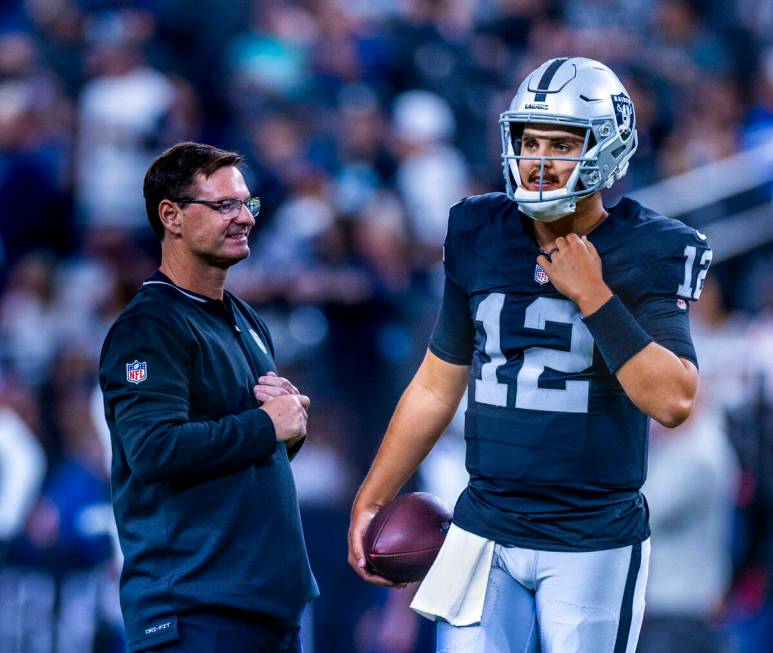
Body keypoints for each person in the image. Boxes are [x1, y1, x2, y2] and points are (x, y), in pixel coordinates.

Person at [348, 57, 712, 653]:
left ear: (608, 149)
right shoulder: (477, 228)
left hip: (591, 536)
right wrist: (374, 494)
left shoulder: (651, 246)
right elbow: (438, 384)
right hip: (483, 524)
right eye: (530, 139)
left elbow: (673, 401)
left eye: (563, 143)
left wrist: (595, 296)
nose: (540, 158)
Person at [99, 142, 318, 653]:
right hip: (197, 614)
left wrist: (288, 429)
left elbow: (248, 447)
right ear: (171, 216)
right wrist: (266, 424)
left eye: (247, 204)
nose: (244, 217)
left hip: (265, 612)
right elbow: (152, 449)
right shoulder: (149, 327)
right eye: (223, 205)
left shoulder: (243, 316)